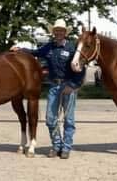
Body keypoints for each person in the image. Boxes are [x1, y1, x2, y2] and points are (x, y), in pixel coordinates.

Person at [12, 19, 84, 159]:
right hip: (53, 86)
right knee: (50, 119)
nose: (58, 33)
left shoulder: (71, 48)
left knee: (69, 119)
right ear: (53, 32)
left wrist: (73, 86)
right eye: (56, 30)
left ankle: (66, 147)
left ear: (65, 33)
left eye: (61, 30)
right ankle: (56, 145)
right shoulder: (49, 47)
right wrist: (20, 49)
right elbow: (35, 52)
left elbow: (80, 69)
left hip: (68, 86)